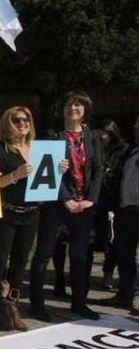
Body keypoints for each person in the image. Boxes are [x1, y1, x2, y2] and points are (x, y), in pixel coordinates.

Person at [0, 107, 66, 334]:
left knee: (20, 264)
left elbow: (47, 179)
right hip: (7, 213)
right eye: (17, 120)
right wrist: (14, 176)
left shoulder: (38, 149)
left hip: (31, 213)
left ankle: (11, 307)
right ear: (7, 123)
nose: (23, 123)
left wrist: (59, 169)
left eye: (26, 119)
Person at [29, 91, 103, 321]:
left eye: (79, 105)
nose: (73, 107)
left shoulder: (92, 137)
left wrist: (91, 198)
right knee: (43, 254)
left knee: (80, 256)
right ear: (63, 109)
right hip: (56, 205)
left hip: (84, 206)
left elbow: (99, 168)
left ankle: (79, 302)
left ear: (85, 110)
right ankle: (37, 304)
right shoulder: (52, 136)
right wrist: (65, 198)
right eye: (70, 104)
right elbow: (45, 169)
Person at [108, 115, 139, 314]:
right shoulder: (130, 150)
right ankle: (125, 294)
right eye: (136, 125)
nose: (136, 129)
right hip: (126, 209)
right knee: (125, 255)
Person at [95, 119, 130, 290]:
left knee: (114, 241)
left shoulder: (123, 150)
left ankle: (108, 274)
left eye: (106, 133)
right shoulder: (95, 148)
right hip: (97, 200)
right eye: (100, 132)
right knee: (95, 239)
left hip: (115, 201)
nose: (102, 136)